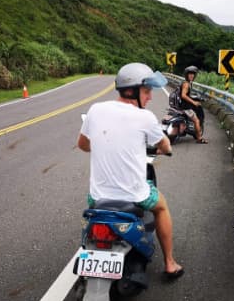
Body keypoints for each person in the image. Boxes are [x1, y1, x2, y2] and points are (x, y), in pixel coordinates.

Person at [77, 62, 184, 279]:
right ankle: (170, 263)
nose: (150, 97)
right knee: (161, 207)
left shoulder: (96, 110)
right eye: (146, 91)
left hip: (97, 198)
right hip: (135, 195)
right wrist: (166, 149)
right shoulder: (145, 118)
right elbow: (165, 145)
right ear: (132, 91)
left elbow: (83, 145)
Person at [179, 65, 208, 143]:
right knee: (196, 121)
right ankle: (199, 139)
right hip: (185, 107)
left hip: (183, 105)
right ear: (186, 75)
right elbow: (183, 95)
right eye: (190, 74)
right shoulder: (186, 84)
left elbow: (188, 95)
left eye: (193, 74)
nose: (191, 75)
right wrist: (194, 102)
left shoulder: (188, 83)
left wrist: (195, 98)